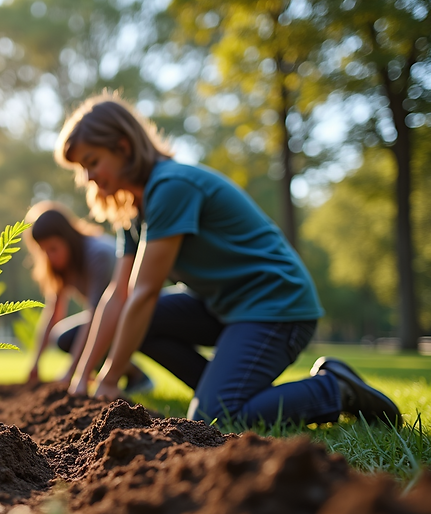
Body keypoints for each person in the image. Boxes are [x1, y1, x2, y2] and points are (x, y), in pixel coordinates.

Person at [54, 91, 401, 427]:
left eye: (92, 162)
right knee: (140, 327)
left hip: (275, 306)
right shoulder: (134, 210)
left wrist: (112, 377)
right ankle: (225, 388)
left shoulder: (171, 187)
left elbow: (143, 293)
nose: (88, 177)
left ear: (123, 146)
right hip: (224, 307)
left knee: (215, 417)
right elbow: (119, 295)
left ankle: (335, 388)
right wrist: (82, 376)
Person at [23, 201, 152, 393]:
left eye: (53, 248)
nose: (49, 256)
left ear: (67, 238)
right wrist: (35, 363)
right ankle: (134, 376)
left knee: (72, 336)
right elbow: (54, 312)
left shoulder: (97, 254)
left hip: (137, 316)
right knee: (62, 336)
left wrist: (72, 373)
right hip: (110, 319)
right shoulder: (63, 267)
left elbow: (95, 316)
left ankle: (127, 375)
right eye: (43, 251)